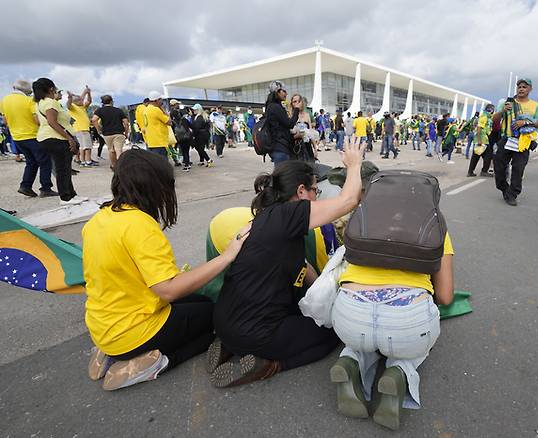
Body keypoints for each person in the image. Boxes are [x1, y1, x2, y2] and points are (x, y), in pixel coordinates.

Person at [82, 148, 250, 391]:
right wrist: (227, 256)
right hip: (132, 331)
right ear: (154, 186)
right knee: (218, 320)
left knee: (202, 303)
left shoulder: (101, 217)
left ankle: (109, 353)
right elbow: (169, 290)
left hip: (103, 324)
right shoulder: (139, 225)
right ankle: (156, 362)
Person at [209, 138, 365, 388]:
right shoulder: (290, 214)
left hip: (225, 321)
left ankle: (230, 346)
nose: (318, 196)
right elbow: (348, 201)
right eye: (316, 190)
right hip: (256, 332)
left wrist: (325, 289)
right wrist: (354, 165)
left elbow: (302, 267)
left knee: (297, 313)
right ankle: (269, 365)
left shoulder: (267, 219)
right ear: (301, 191)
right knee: (331, 333)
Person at [329, 199, 454, 431]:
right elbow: (446, 297)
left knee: (364, 341)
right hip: (406, 320)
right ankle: (399, 371)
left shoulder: (363, 221)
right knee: (408, 342)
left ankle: (350, 360)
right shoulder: (436, 229)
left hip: (350, 315)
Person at [33, 78, 87, 205]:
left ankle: (71, 194)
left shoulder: (40, 103)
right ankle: (66, 197)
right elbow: (52, 122)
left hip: (46, 138)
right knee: (63, 169)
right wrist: (69, 138)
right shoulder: (51, 103)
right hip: (56, 138)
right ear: (51, 88)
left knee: (64, 168)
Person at [0, 79, 56, 198]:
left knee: (31, 162)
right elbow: (36, 120)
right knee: (45, 162)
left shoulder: (4, 100)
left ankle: (26, 186)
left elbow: (5, 121)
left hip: (17, 137)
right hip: (32, 135)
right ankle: (46, 188)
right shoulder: (28, 100)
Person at [493, 78, 538, 206]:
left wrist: (526, 122)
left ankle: (512, 194)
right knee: (498, 166)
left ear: (530, 89)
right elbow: (494, 119)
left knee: (518, 169)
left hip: (523, 141)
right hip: (506, 139)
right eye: (519, 86)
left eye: (524, 87)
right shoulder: (507, 102)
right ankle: (504, 188)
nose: (521, 89)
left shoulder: (535, 105)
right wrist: (503, 111)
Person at [264, 80, 301, 166]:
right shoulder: (275, 107)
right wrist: (296, 110)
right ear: (277, 92)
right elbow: (289, 124)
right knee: (282, 176)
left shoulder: (272, 106)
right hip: (280, 148)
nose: (286, 93)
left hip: (278, 147)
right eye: (283, 91)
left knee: (282, 175)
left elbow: (282, 126)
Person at [91, 94, 129, 170]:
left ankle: (114, 165)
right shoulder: (119, 110)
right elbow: (126, 123)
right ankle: (121, 167)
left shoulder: (100, 110)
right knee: (119, 150)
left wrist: (99, 130)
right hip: (119, 132)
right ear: (111, 101)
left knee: (111, 150)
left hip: (107, 133)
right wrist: (126, 133)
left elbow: (94, 120)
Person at [67, 86, 97, 168]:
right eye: (81, 100)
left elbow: (89, 101)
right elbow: (68, 105)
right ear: (76, 101)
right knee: (87, 146)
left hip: (82, 129)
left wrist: (88, 93)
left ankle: (83, 161)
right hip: (81, 129)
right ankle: (87, 161)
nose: (83, 101)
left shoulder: (82, 107)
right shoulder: (73, 107)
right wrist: (70, 98)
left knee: (83, 146)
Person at [467, 104, 495, 177]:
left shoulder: (487, 117)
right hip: (482, 139)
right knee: (487, 155)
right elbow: (479, 127)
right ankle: (483, 171)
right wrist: (479, 140)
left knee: (477, 155)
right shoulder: (484, 117)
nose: (493, 111)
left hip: (484, 138)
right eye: (492, 109)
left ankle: (471, 172)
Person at [143, 91, 172, 158]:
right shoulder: (156, 110)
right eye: (161, 99)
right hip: (159, 142)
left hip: (151, 142)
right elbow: (169, 122)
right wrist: (163, 109)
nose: (162, 101)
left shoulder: (146, 110)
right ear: (156, 100)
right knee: (162, 163)